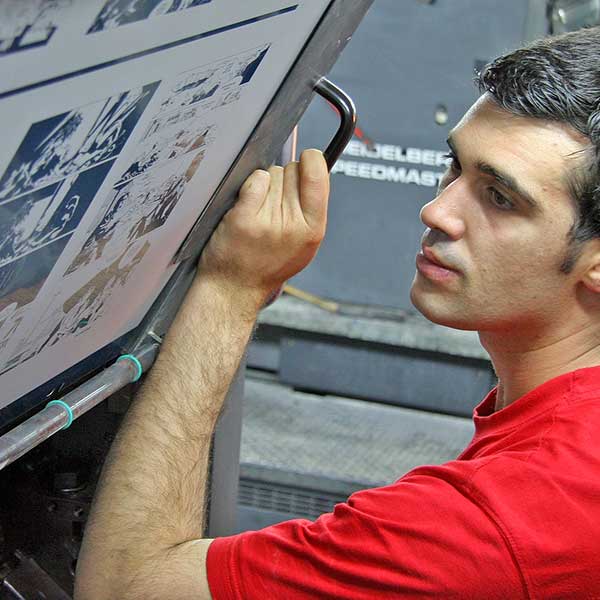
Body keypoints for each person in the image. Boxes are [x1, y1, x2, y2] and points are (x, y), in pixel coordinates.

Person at [75, 26, 600, 599]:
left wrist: (229, 289)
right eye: (455, 167)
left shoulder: (499, 520)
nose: (436, 211)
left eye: (500, 198)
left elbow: (122, 588)